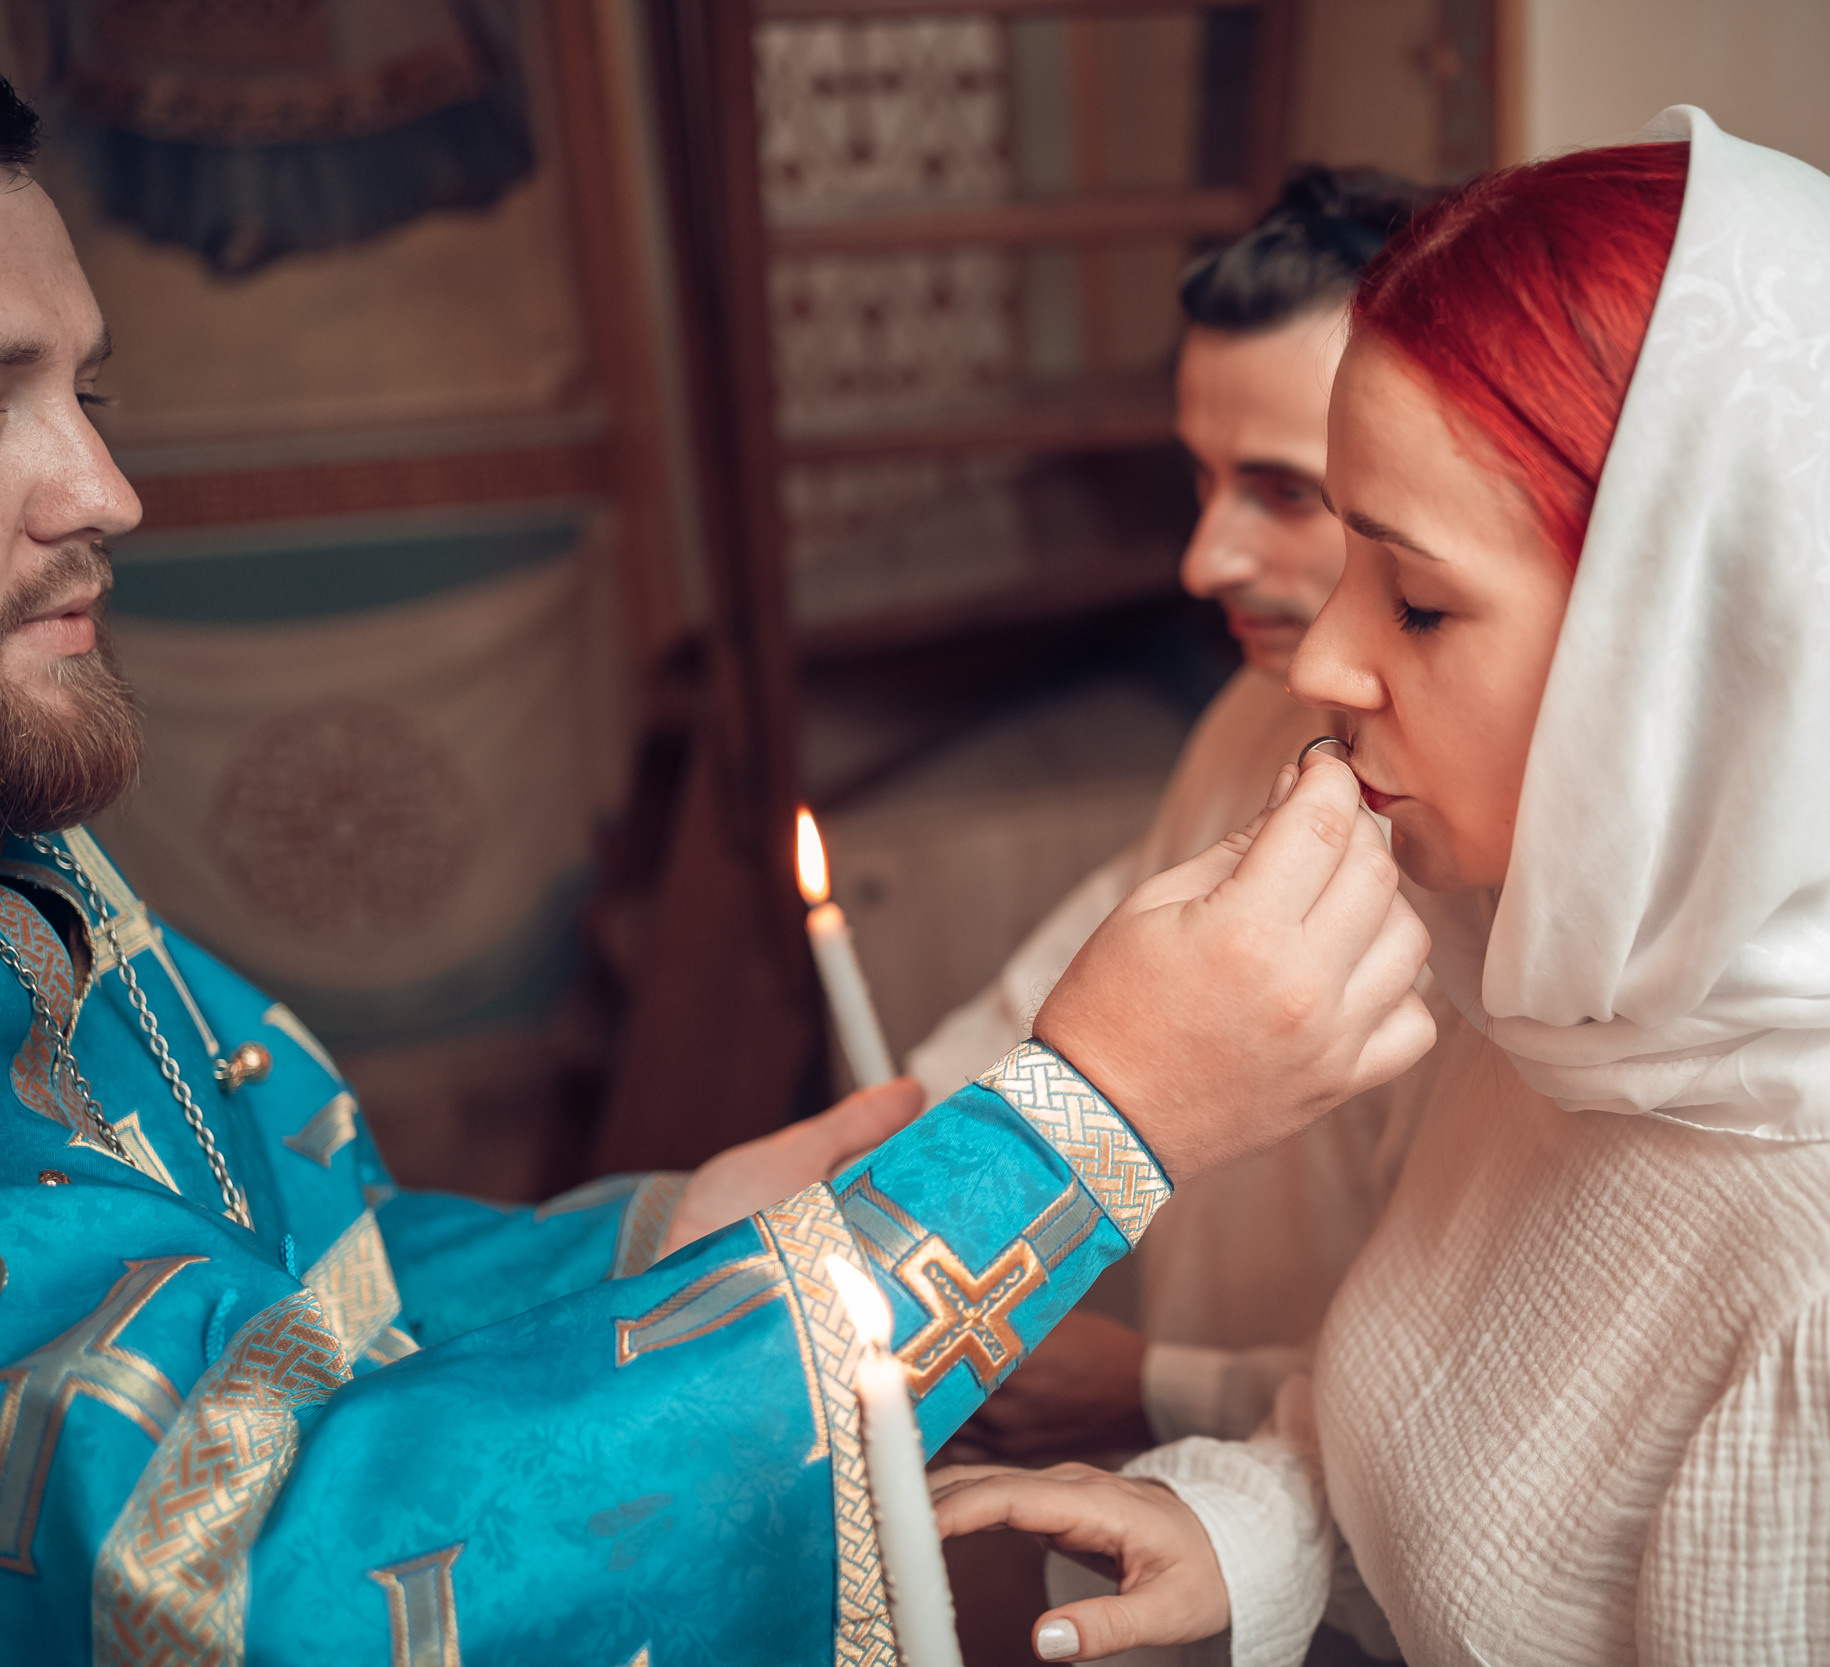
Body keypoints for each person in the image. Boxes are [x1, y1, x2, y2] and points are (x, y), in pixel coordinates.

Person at [0, 79, 1434, 1664]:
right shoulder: (1254, 736)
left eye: (91, 401)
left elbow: (290, 1306)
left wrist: (680, 1231)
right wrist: (1055, 1147)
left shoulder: (43, 885)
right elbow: (248, 1574)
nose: (105, 495)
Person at [931, 108, 1830, 1666]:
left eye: (1416, 600)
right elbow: (1464, 1460)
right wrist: (1255, 1520)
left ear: (1699, 656)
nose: (1334, 661)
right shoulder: (1591, 1000)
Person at [913, 166, 1438, 1464]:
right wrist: (868, 1160)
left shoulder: (1494, 850)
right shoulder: (1252, 716)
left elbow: (1491, 1375)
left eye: (1283, 491)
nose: (1205, 561)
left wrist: (1157, 1386)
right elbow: (1075, 983)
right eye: (1201, 483)